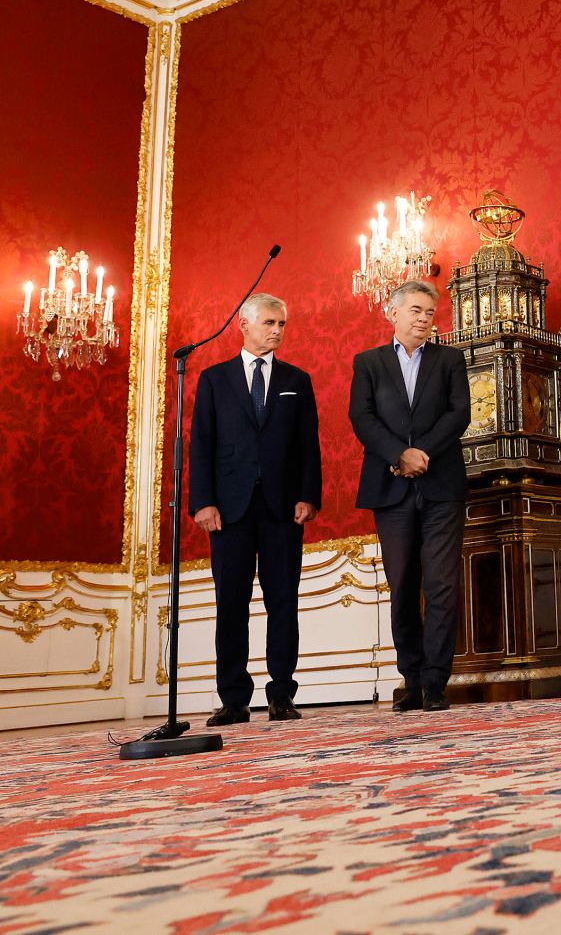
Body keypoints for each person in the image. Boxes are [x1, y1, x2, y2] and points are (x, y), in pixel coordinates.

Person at [188, 292, 321, 725]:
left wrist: (309, 496)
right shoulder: (214, 379)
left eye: (282, 324)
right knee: (231, 604)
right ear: (243, 325)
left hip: (283, 508)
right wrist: (202, 503)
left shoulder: (297, 380)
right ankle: (233, 699)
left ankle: (281, 693)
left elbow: (307, 445)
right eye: (269, 322)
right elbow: (201, 445)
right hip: (229, 509)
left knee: (284, 601)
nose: (277, 330)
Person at [349, 280, 470, 711]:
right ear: (393, 313)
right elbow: (360, 417)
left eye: (430, 313)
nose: (424, 319)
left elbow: (460, 414)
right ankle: (412, 680)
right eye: (416, 311)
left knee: (441, 585)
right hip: (390, 487)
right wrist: (399, 454)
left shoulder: (450, 360)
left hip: (442, 487)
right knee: (402, 586)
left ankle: (436, 683)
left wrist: (422, 454)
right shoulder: (369, 362)